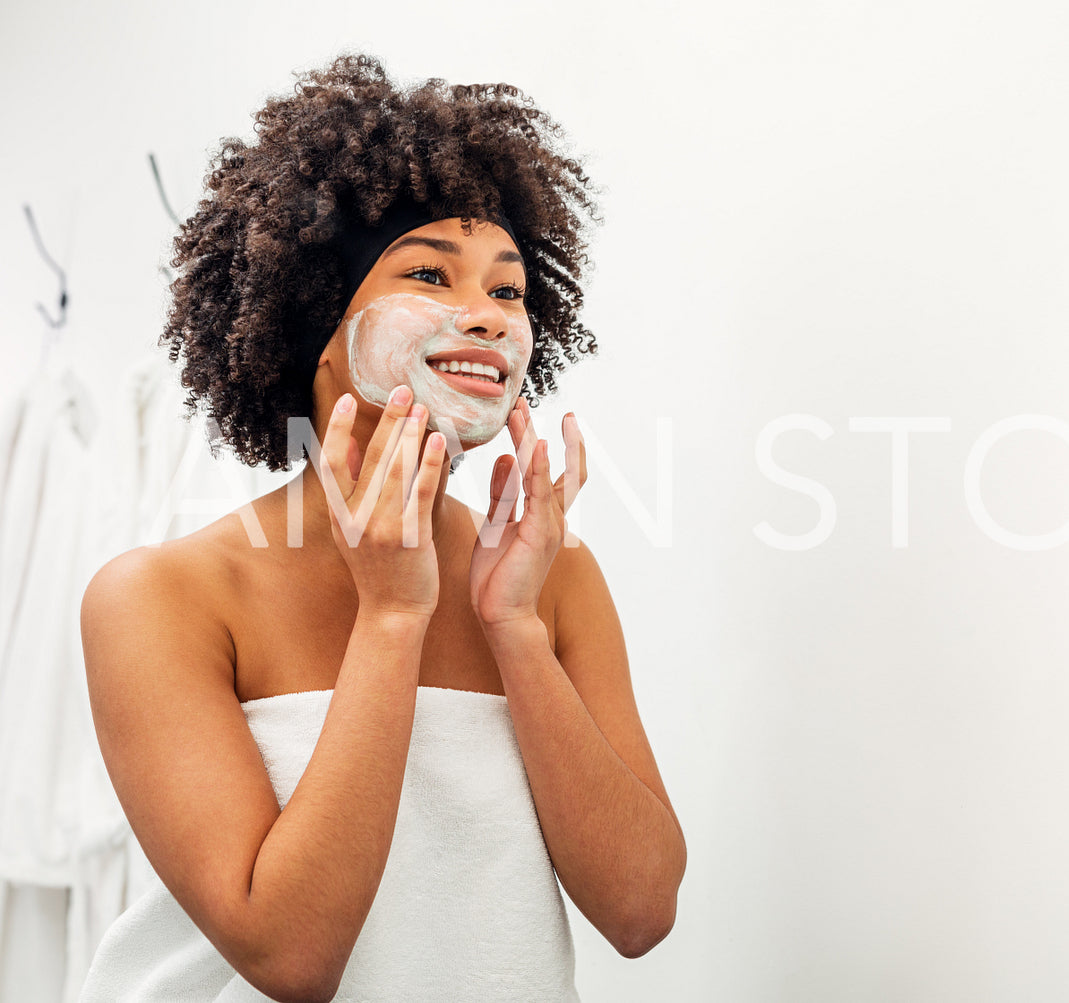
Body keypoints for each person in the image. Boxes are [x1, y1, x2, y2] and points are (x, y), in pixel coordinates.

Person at [77, 54, 685, 1002]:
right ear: (315, 321)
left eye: (507, 291)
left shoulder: (554, 581)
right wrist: (393, 617)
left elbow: (642, 912)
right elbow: (290, 957)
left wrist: (515, 628)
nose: (484, 318)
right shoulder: (165, 597)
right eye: (430, 277)